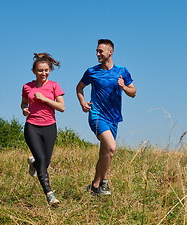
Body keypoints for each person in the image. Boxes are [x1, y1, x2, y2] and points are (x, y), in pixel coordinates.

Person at [76, 39, 136, 195]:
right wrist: (82, 102)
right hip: (96, 115)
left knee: (105, 153)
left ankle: (94, 186)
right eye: (96, 51)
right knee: (111, 147)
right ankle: (104, 183)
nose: (97, 54)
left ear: (111, 52)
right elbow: (79, 87)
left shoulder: (122, 71)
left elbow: (133, 92)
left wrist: (123, 86)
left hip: (114, 118)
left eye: (100, 51)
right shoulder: (92, 71)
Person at [21, 53, 65, 205]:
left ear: (50, 70)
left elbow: (62, 107)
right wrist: (24, 109)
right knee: (41, 159)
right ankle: (50, 194)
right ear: (34, 71)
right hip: (32, 126)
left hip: (50, 127)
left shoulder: (54, 86)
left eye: (46, 70)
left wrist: (45, 99)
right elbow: (24, 103)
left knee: (44, 162)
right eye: (40, 70)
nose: (43, 73)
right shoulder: (27, 86)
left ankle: (33, 164)